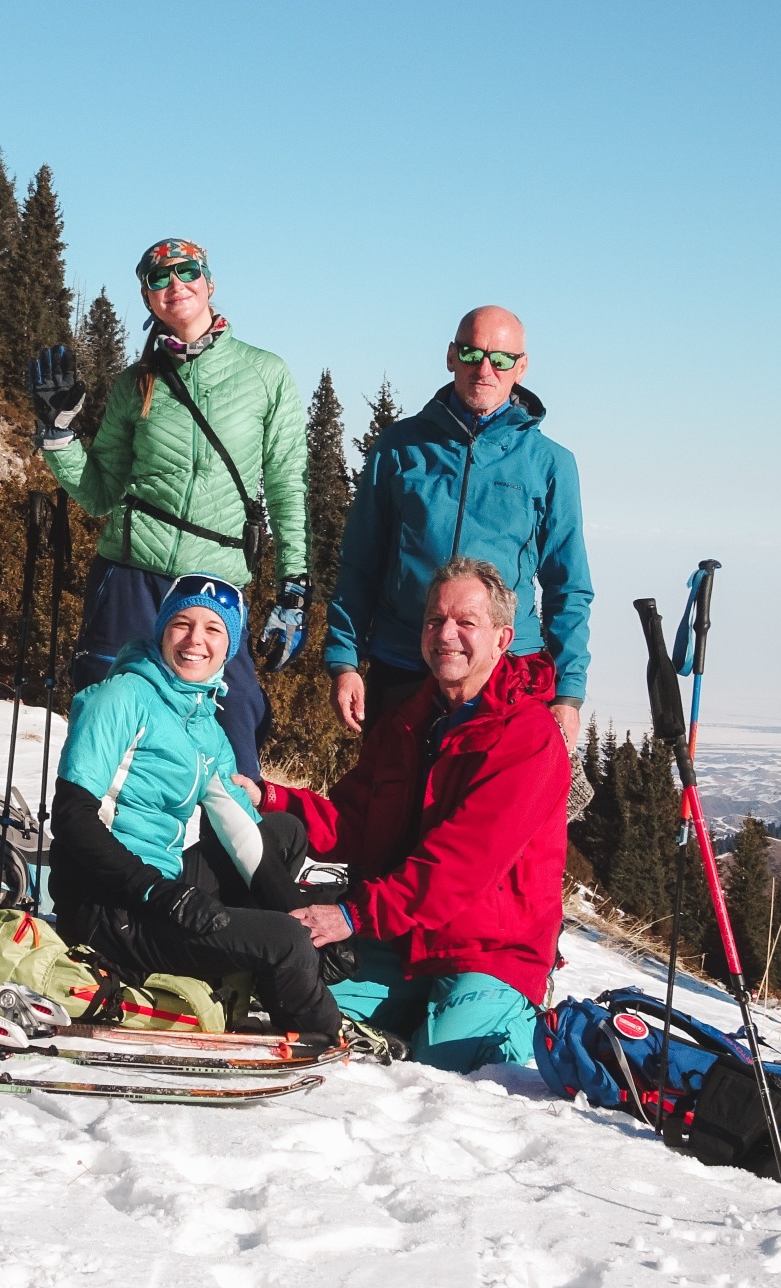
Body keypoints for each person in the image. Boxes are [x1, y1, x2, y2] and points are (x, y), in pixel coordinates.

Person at [241, 557, 570, 1070]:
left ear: (503, 640)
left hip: (489, 952)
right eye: (435, 620)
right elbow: (354, 823)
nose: (446, 635)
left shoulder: (528, 737)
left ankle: (517, 1021)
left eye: (466, 622)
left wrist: (353, 915)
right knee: (299, 1006)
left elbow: (460, 865)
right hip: (405, 940)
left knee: (444, 1066)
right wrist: (273, 799)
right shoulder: (410, 722)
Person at [30, 238, 309, 778]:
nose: (175, 284)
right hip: (130, 574)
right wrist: (58, 436)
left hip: (214, 581)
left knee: (236, 725)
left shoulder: (264, 374)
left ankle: (230, 859)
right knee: (106, 724)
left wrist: (294, 587)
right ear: (148, 297)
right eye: (160, 278)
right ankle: (96, 850)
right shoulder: (135, 384)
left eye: (187, 272)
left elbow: (286, 486)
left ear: (209, 283)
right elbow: (101, 492)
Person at [47, 573, 340, 1036]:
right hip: (107, 906)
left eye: (213, 629)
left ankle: (273, 970)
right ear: (162, 629)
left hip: (159, 890)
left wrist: (307, 919)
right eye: (182, 623)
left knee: (281, 834)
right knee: (285, 944)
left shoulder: (205, 725)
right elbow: (70, 818)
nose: (194, 641)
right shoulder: (121, 697)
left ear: (230, 647)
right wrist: (156, 892)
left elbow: (242, 836)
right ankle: (321, 1032)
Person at [325, 306, 592, 747]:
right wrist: (344, 661)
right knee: (387, 809)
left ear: (521, 367)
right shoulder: (399, 447)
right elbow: (359, 562)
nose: (485, 369)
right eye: (472, 353)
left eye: (501, 359)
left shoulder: (550, 464)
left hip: (504, 673)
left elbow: (569, 586)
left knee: (487, 813)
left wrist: (568, 692)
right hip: (404, 662)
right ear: (451, 356)